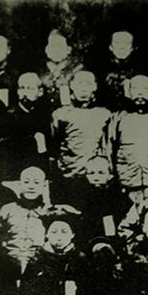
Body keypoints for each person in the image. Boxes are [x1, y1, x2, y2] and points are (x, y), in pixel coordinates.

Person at [100, 75, 148, 192]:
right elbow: (108, 149)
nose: (140, 93)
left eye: (145, 89)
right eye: (135, 88)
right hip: (125, 181)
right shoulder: (117, 118)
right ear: (128, 92)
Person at [48, 70, 112, 199]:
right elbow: (54, 146)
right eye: (79, 84)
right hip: (69, 176)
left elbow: (107, 145)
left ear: (95, 87)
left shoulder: (103, 114)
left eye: (88, 84)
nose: (83, 89)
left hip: (94, 177)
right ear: (72, 86)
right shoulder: (61, 114)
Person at [102, 30, 148, 111]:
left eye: (127, 44)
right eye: (117, 43)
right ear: (110, 47)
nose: (122, 48)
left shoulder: (141, 71)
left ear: (132, 48)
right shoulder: (101, 70)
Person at [39, 30, 85, 109]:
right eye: (52, 46)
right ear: (46, 50)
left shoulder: (77, 70)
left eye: (60, 45)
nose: (56, 50)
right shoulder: (41, 73)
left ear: (68, 50)